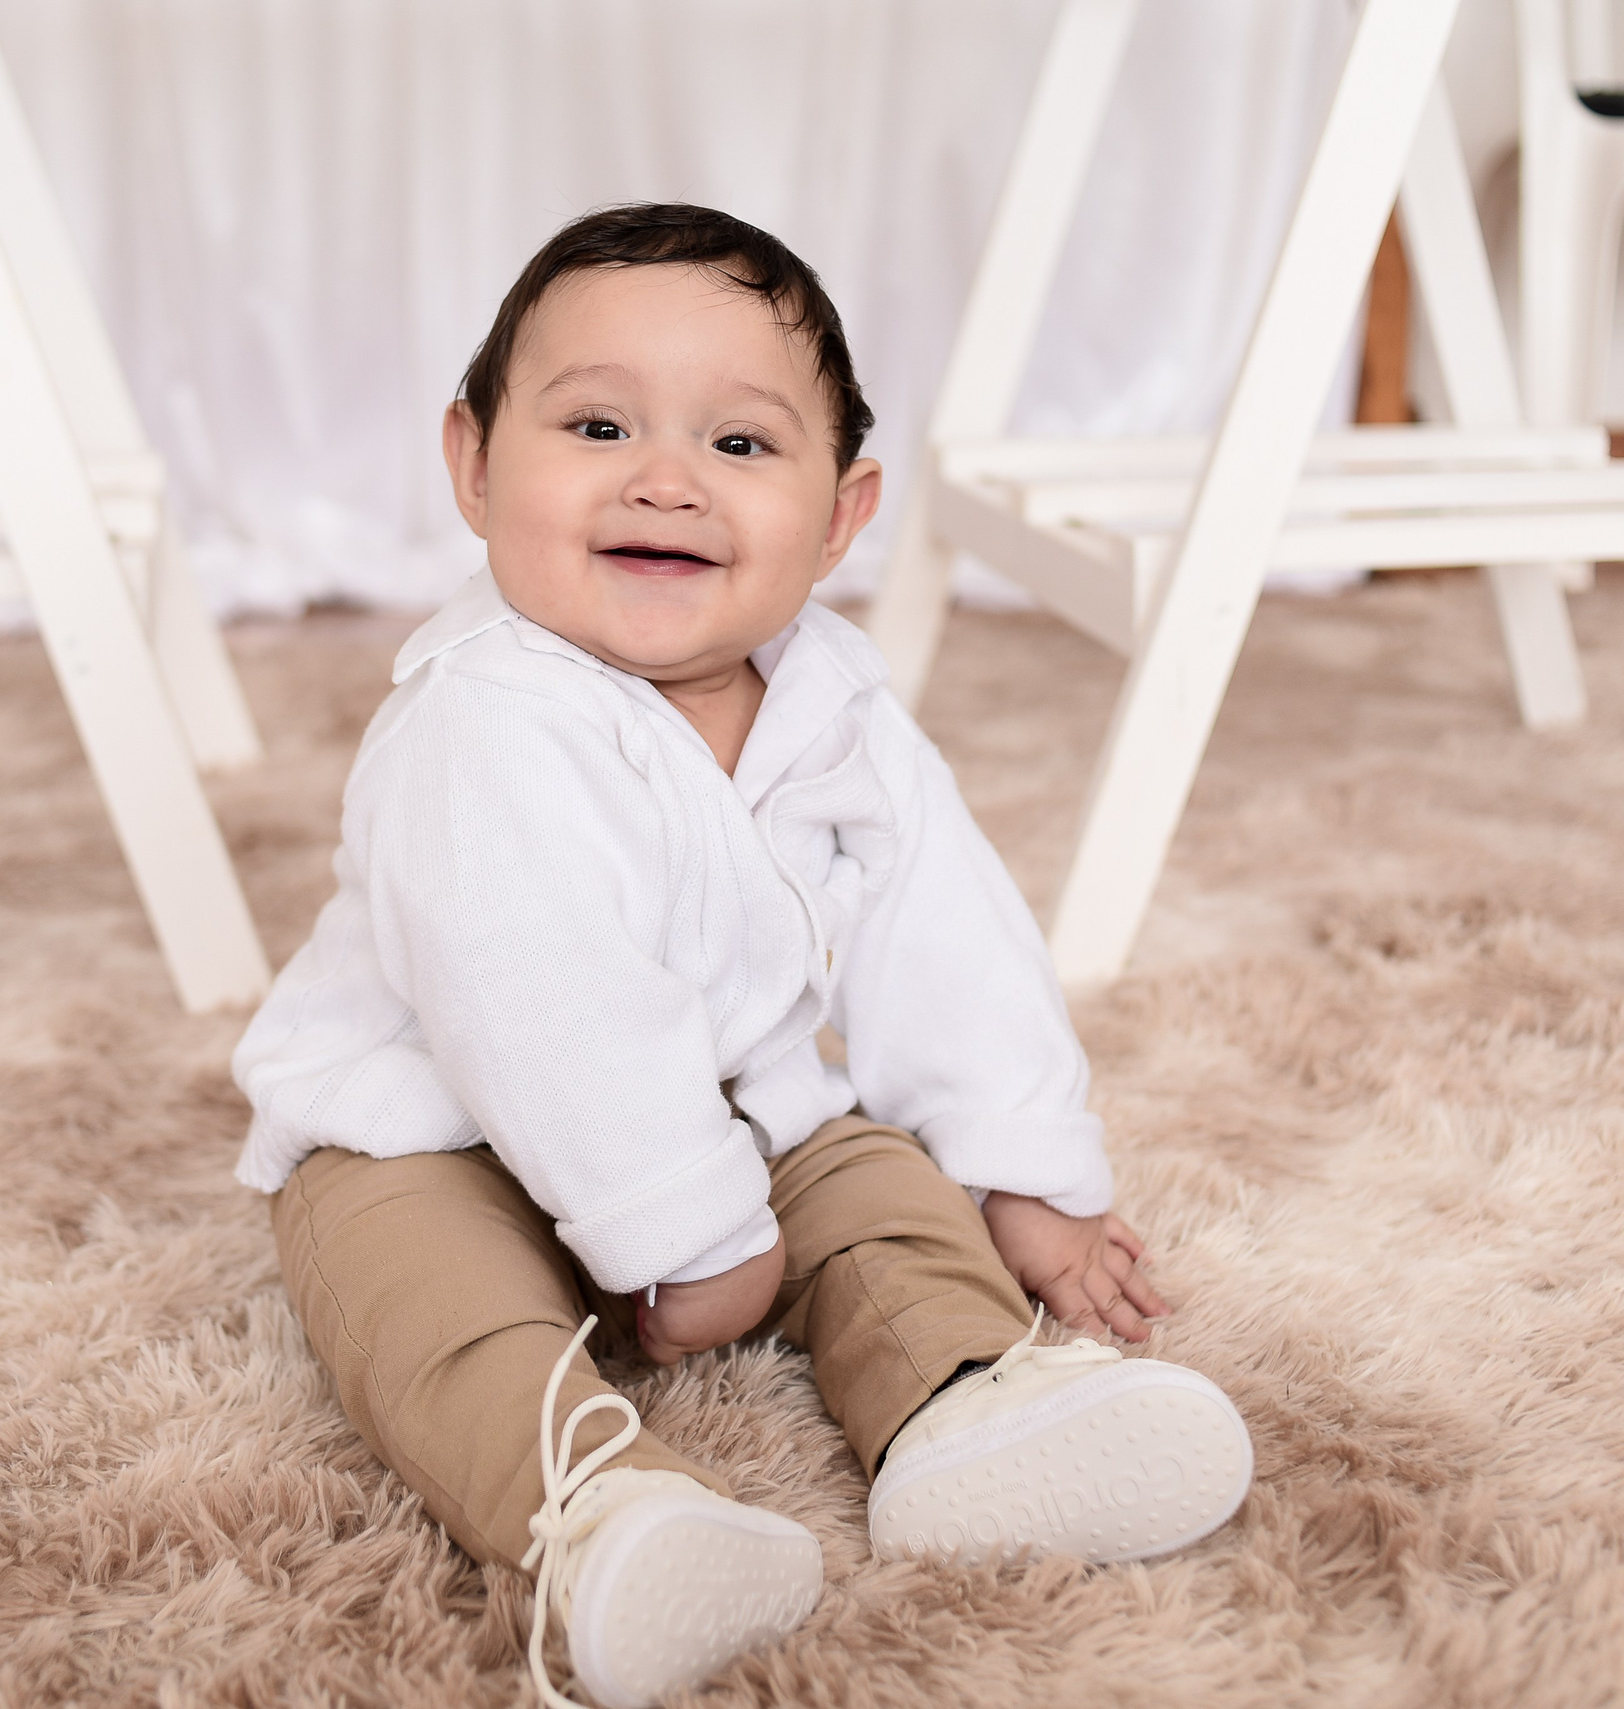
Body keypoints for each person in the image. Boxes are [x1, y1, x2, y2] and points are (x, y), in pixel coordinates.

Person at [233, 203, 1252, 1709]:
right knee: (417, 1298)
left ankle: (964, 1394)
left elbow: (942, 927)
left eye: (741, 444)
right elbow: (545, 1004)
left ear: (840, 518)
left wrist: (1024, 1165)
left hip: (733, 1107)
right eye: (597, 425)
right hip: (438, 1132)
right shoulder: (481, 721)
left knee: (880, 1182)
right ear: (474, 464)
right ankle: (599, 1510)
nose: (666, 479)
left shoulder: (833, 704)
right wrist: (693, 1240)